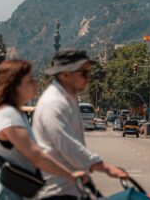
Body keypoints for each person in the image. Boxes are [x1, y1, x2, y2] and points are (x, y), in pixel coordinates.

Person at [0, 60, 87, 200]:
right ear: (15, 86)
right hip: (5, 194)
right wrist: (70, 175)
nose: (35, 83)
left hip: (15, 192)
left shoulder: (16, 113)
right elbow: (35, 155)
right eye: (30, 80)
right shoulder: (8, 114)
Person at [33, 49, 128, 200]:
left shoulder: (69, 99)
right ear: (65, 74)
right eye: (84, 73)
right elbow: (69, 146)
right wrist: (105, 167)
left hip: (71, 189)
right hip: (55, 192)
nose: (88, 78)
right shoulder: (54, 103)